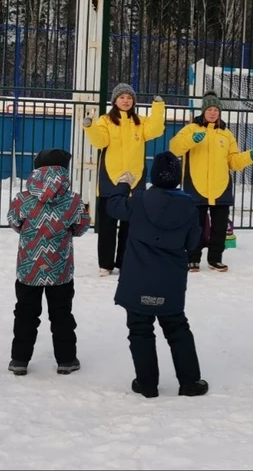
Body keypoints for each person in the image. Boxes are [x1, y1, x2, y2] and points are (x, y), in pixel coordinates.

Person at [107, 152, 209, 398]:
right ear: (177, 178)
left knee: (140, 330)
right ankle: (190, 383)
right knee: (177, 328)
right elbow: (194, 241)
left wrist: (123, 184)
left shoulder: (139, 200)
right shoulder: (189, 205)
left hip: (137, 279)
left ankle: (147, 384)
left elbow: (113, 207)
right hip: (170, 281)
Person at [6, 149, 91, 376]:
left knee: (25, 313)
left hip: (28, 268)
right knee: (62, 314)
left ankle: (19, 360)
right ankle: (66, 359)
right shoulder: (72, 200)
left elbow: (14, 222)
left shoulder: (22, 198)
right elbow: (81, 227)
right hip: (59, 269)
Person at [169, 90, 253, 272]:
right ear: (203, 111)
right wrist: (191, 140)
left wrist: (249, 156)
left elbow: (233, 162)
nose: (213, 113)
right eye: (209, 109)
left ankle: (215, 259)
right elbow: (174, 148)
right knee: (196, 226)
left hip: (220, 188)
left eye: (216, 110)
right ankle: (192, 259)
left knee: (219, 228)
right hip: (195, 187)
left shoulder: (226, 134)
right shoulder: (191, 129)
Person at [82, 83, 165, 276]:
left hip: (134, 179)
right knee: (107, 225)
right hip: (109, 179)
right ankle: (106, 264)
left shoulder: (141, 122)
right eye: (122, 97)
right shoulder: (105, 121)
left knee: (131, 225)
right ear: (115, 100)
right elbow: (100, 141)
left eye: (129, 98)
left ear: (133, 101)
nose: (126, 101)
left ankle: (126, 261)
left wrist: (158, 108)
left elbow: (156, 130)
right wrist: (90, 127)